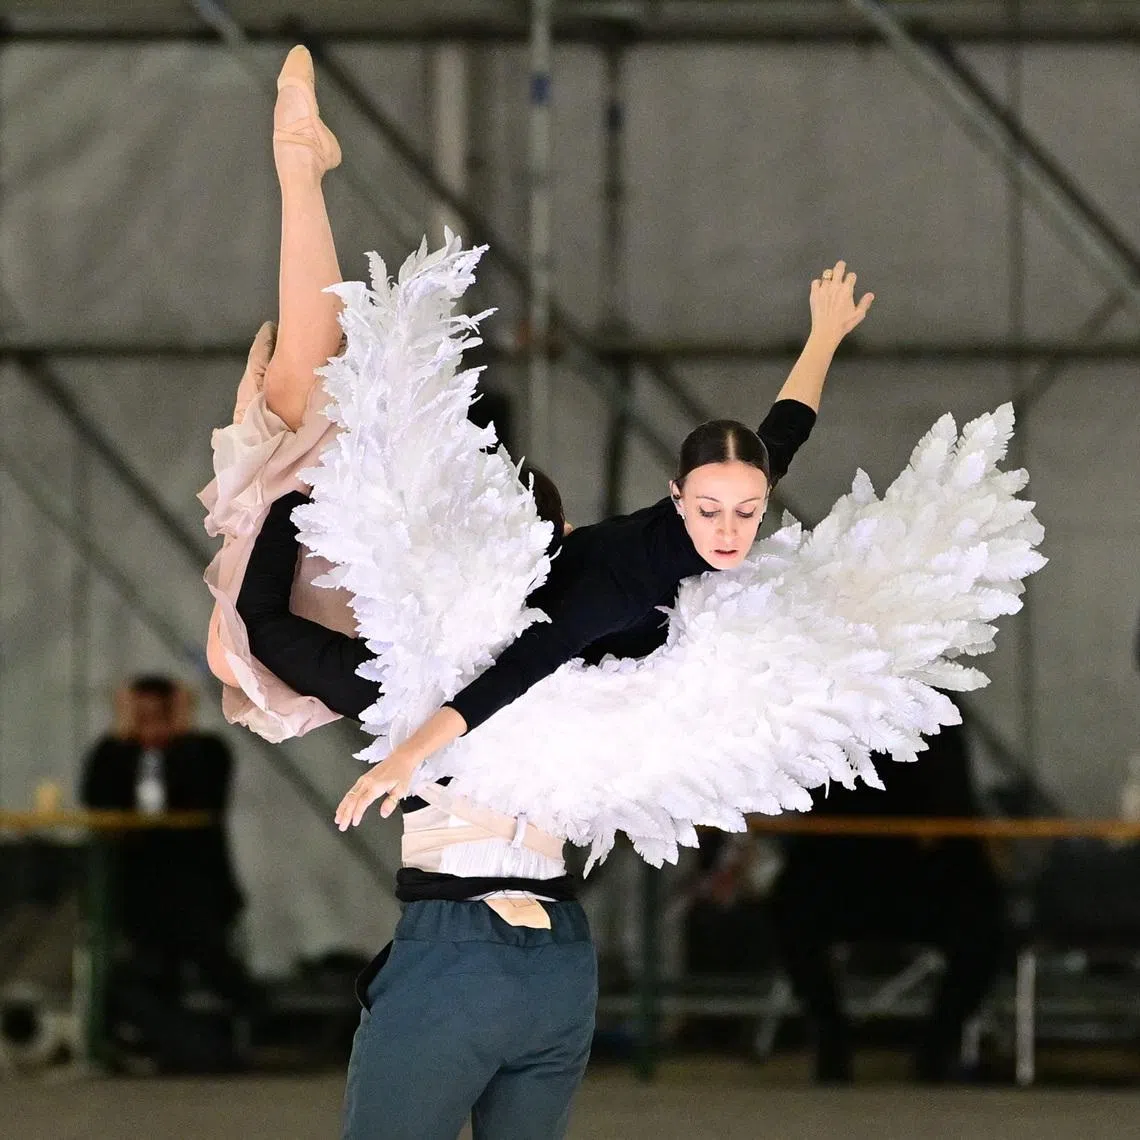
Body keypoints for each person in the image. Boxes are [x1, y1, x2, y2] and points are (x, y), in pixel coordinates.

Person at [202, 45, 867, 1140]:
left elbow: (274, 629)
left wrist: (291, 496)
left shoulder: (417, 669)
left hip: (455, 951)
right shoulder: (626, 633)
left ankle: (299, 183)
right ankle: (299, 181)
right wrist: (819, 346)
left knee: (292, 413)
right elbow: (750, 477)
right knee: (296, 412)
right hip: (559, 964)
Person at [769, 715, 1006, 1083]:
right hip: (840, 873)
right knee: (787, 910)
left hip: (926, 877)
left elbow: (953, 804)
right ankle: (832, 1037)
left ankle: (936, 1047)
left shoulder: (937, 714)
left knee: (986, 927)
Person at [79, 675, 252, 1069]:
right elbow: (98, 801)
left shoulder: (204, 751)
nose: (150, 727)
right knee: (141, 962)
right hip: (137, 886)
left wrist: (181, 733)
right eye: (141, 718)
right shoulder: (116, 754)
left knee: (200, 946)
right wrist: (123, 738)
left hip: (197, 885)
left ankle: (224, 1030)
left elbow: (206, 796)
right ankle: (171, 1041)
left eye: (159, 716)